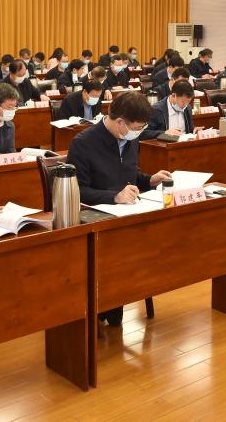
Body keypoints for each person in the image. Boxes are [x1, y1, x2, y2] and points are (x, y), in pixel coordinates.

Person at [68, 93, 171, 325]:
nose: (139, 133)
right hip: (95, 220)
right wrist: (114, 196)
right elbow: (78, 191)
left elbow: (129, 174)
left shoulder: (130, 137)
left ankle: (122, 297)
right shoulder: (83, 143)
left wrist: (149, 180)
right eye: (136, 128)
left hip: (127, 216)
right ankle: (101, 307)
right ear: (120, 122)